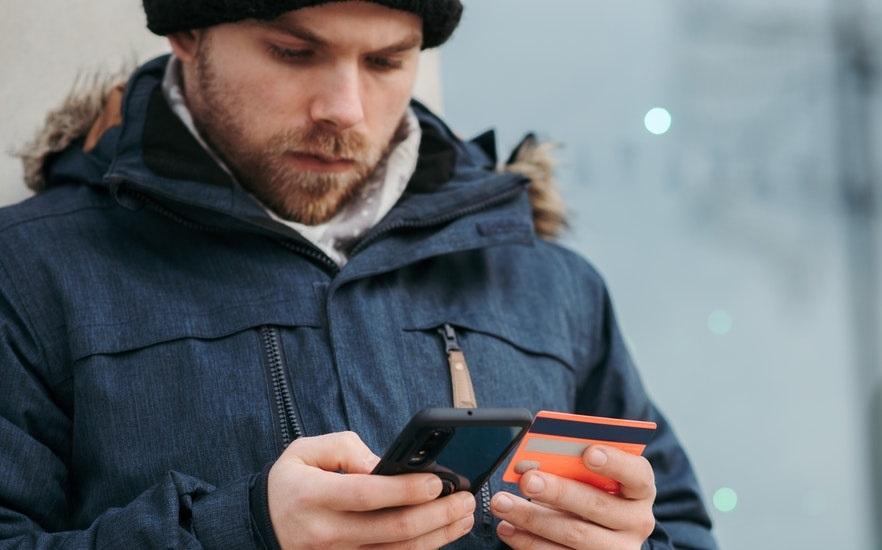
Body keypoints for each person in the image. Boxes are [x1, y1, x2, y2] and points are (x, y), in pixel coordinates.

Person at [0, 1, 717, 548]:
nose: (343, 109)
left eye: (384, 63)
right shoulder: (29, 271)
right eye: (293, 52)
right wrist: (245, 531)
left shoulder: (550, 283)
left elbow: (680, 527)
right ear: (189, 34)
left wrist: (631, 541)